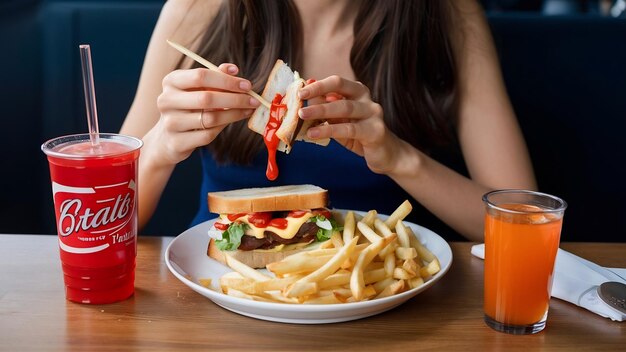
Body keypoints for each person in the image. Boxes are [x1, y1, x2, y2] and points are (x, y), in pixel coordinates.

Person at [121, 0, 536, 242]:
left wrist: (398, 158)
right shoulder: (199, 8)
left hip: (378, 302)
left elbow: (527, 224)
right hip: (217, 287)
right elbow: (110, 217)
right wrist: (158, 149)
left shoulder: (445, 14)